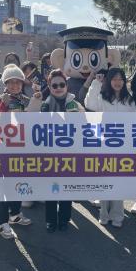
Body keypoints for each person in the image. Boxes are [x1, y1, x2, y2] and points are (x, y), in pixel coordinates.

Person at [28, 69, 84, 232]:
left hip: (69, 154)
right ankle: (51, 220)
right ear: (50, 87)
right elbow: (31, 119)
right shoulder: (44, 104)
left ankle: (64, 219)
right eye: (54, 85)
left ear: (66, 86)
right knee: (51, 188)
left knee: (66, 188)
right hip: (50, 153)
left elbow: (83, 127)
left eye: (61, 84)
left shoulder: (75, 104)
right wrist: (35, 99)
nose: (58, 88)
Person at [85, 67, 136, 227]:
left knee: (118, 182)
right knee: (104, 179)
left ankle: (117, 216)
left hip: (122, 145)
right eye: (114, 79)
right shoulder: (102, 96)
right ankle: (104, 214)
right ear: (109, 80)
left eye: (120, 79)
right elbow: (89, 104)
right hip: (104, 144)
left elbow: (134, 121)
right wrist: (95, 83)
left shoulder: (129, 99)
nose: (117, 82)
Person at [0, 64, 32, 238]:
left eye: (18, 82)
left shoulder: (26, 100)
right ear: (5, 84)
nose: (15, 85)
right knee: (4, 184)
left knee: (18, 181)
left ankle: (15, 213)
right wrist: (3, 105)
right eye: (11, 82)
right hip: (4, 149)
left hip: (21, 148)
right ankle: (1, 221)